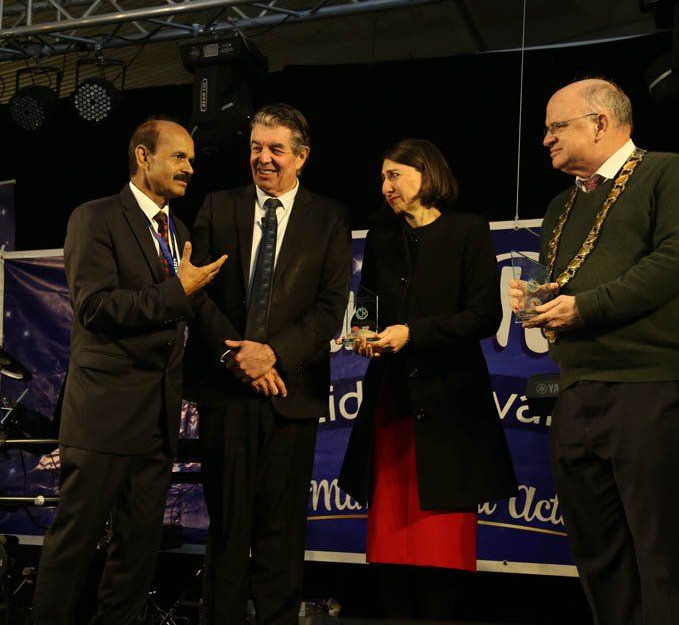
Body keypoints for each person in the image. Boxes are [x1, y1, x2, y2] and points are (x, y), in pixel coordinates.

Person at [509, 79, 679, 624]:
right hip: (576, 390)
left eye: (557, 126)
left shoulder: (666, 172)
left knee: (662, 550)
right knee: (597, 552)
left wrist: (586, 307)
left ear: (600, 123)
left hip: (645, 382)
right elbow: (563, 283)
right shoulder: (560, 205)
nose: (546, 138)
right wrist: (539, 299)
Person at [32, 118, 231, 625]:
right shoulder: (95, 218)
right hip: (103, 416)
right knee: (75, 545)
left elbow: (193, 311)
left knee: (136, 554)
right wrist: (176, 292)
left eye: (191, 159)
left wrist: (240, 350)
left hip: (156, 421)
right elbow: (95, 307)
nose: (190, 167)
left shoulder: (177, 231)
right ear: (144, 157)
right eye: (179, 157)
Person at [184, 103, 352, 625]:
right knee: (228, 528)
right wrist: (240, 357)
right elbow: (198, 294)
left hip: (289, 394)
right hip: (227, 392)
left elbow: (330, 307)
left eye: (276, 149)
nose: (263, 158)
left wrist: (272, 354)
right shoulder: (217, 206)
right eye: (256, 147)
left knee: (281, 530)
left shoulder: (329, 218)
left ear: (301, 156)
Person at [338, 139, 516, 586]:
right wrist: (363, 333)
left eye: (394, 174)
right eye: (382, 177)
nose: (385, 186)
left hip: (450, 403)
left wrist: (412, 333)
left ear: (426, 174)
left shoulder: (468, 230)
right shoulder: (382, 236)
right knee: (390, 542)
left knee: (443, 546)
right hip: (391, 401)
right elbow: (368, 302)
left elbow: (483, 316)